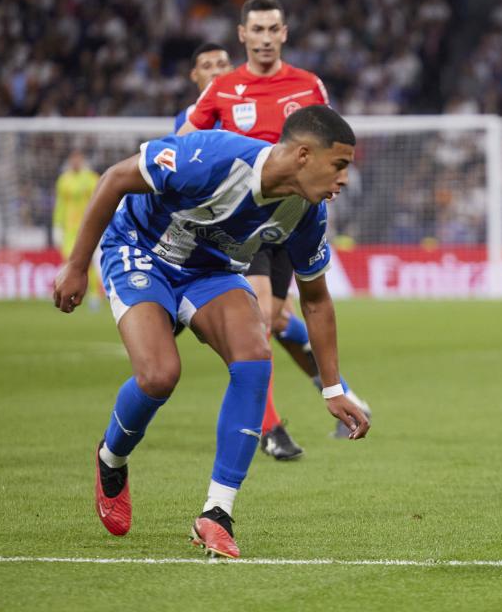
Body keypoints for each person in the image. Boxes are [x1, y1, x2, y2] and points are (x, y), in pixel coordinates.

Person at [52, 106, 371, 559]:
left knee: (255, 356)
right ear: (303, 155)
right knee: (160, 375)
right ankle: (111, 457)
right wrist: (76, 265)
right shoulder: (213, 157)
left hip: (212, 271)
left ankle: (216, 513)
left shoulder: (308, 212)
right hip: (142, 251)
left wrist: (333, 387)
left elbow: (316, 300)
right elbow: (116, 178)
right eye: (339, 165)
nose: (343, 179)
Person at [179, 0, 370, 457]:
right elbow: (184, 141)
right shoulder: (223, 88)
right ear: (242, 35)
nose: (265, 39)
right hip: (241, 221)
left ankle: (334, 392)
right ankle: (268, 428)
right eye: (256, 30)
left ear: (284, 33)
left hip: (293, 218)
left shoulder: (307, 85)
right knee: (262, 314)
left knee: (279, 317)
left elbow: (330, 144)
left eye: (273, 30)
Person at [52, 150, 102, 308]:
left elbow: (100, 201)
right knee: (69, 260)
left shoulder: (92, 179)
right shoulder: (63, 180)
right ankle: (65, 291)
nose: (75, 162)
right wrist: (57, 225)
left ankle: (94, 294)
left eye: (78, 159)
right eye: (72, 159)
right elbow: (60, 204)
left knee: (88, 262)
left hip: (87, 227)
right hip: (69, 229)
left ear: (82, 160)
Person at [173, 42, 232, 132]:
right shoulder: (186, 118)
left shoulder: (249, 109)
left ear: (232, 70)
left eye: (222, 65)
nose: (216, 72)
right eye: (207, 66)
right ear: (194, 75)